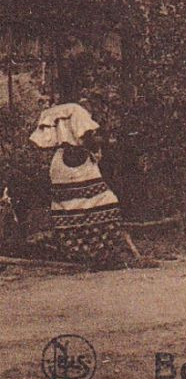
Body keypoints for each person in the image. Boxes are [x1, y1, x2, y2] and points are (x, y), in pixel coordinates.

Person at [29, 99, 135, 265]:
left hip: (60, 165)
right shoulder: (78, 116)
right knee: (106, 202)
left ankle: (80, 251)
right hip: (78, 164)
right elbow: (87, 138)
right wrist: (101, 141)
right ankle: (100, 251)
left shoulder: (60, 132)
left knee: (68, 205)